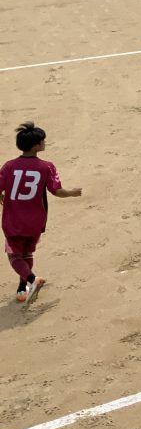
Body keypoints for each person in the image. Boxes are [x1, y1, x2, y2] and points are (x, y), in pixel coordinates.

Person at [1, 122, 82, 304]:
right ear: (36, 146)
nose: (44, 142)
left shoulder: (9, 166)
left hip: (13, 220)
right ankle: (22, 287)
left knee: (14, 255)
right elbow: (57, 191)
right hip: (36, 220)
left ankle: (32, 280)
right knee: (27, 252)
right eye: (42, 141)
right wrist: (72, 193)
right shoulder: (47, 167)